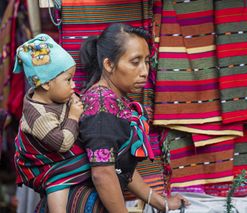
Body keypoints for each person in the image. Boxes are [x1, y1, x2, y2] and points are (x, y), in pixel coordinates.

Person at [79, 23, 190, 212]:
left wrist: (161, 203)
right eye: (135, 61)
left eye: (146, 61)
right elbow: (103, 174)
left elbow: (121, 169)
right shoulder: (101, 105)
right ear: (109, 64)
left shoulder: (114, 100)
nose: (144, 71)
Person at [13, 34, 91, 213]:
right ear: (47, 84)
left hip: (58, 158)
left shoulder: (57, 96)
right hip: (44, 168)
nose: (73, 85)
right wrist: (73, 116)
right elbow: (62, 144)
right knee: (58, 185)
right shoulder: (38, 115)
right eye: (68, 79)